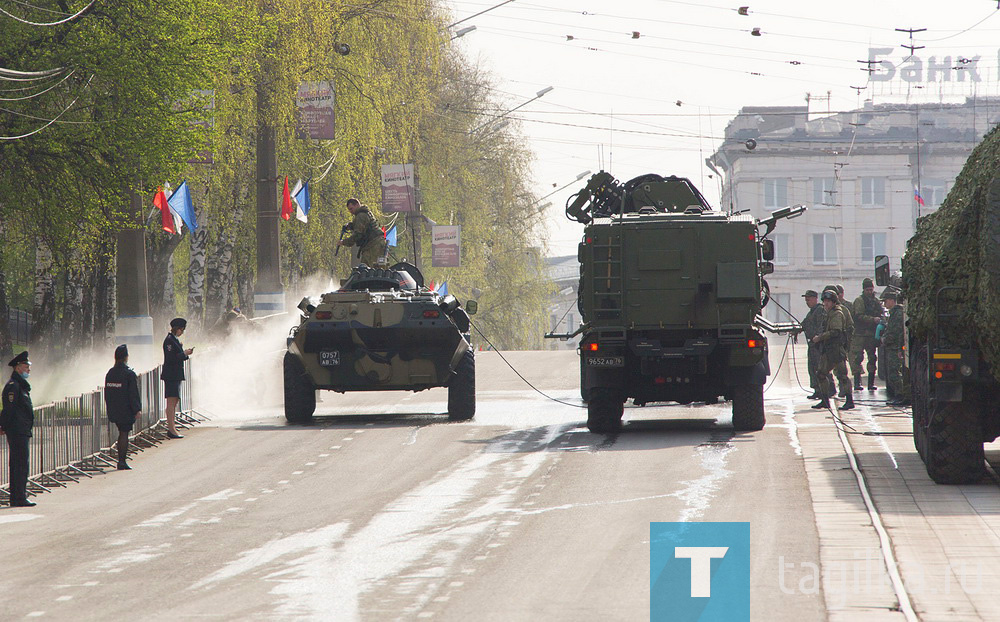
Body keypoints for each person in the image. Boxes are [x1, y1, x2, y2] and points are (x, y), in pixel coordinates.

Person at [0, 351, 35, 506]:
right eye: (26, 366)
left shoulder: (21, 385)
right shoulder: (13, 386)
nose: (28, 369)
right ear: (18, 367)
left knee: (21, 463)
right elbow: (9, 409)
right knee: (19, 463)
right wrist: (3, 426)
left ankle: (20, 494)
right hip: (17, 430)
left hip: (22, 429)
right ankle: (18, 497)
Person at [811, 290, 855, 410]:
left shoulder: (836, 314)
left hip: (836, 349)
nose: (825, 303)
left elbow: (836, 331)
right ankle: (825, 400)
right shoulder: (829, 313)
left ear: (833, 302)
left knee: (842, 375)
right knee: (821, 374)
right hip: (829, 349)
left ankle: (849, 400)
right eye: (824, 301)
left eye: (828, 301)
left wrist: (820, 337)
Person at [105, 344, 141, 470]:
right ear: (126, 357)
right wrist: (137, 409)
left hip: (114, 408)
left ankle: (121, 460)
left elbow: (107, 393)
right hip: (125, 409)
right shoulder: (129, 374)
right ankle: (121, 461)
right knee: (124, 434)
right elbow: (133, 394)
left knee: (122, 433)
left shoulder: (110, 373)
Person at [161, 318, 193, 439]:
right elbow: (171, 358)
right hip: (171, 374)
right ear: (177, 328)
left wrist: (182, 352)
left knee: (174, 401)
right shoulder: (169, 340)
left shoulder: (174, 340)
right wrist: (184, 353)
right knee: (171, 401)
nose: (182, 332)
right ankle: (171, 428)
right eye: (182, 329)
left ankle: (172, 426)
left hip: (175, 374)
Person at [851, 278, 885, 392]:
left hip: (871, 335)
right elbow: (858, 316)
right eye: (867, 290)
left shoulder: (875, 301)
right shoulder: (859, 301)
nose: (870, 292)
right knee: (857, 359)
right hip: (860, 334)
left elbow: (881, 312)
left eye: (871, 289)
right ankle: (857, 383)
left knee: (872, 358)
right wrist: (872, 319)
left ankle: (871, 384)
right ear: (864, 290)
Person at [337, 198, 387, 267]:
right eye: (349, 210)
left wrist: (343, 242)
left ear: (357, 205)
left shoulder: (361, 216)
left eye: (351, 208)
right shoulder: (365, 213)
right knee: (372, 269)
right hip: (375, 244)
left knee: (369, 271)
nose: (351, 211)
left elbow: (357, 235)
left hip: (373, 246)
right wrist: (351, 226)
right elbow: (365, 227)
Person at [880, 290, 909, 406]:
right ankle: (898, 395)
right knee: (893, 373)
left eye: (886, 301)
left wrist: (885, 340)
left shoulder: (898, 313)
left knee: (894, 373)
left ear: (892, 301)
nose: (884, 304)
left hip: (895, 348)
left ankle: (901, 395)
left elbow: (897, 332)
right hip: (892, 347)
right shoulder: (894, 313)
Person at [800, 290, 827, 399]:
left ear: (815, 298)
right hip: (812, 345)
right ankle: (817, 390)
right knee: (812, 368)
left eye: (809, 299)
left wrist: (819, 338)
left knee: (820, 368)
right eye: (806, 300)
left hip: (818, 345)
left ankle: (825, 391)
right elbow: (804, 324)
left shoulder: (820, 310)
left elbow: (822, 326)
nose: (807, 302)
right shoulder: (811, 312)